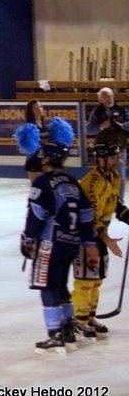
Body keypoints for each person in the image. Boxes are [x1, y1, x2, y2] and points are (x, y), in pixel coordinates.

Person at [18, 117, 98, 354]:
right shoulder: (73, 182)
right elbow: (86, 215)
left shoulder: (43, 183)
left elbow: (36, 214)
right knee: (62, 286)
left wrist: (28, 239)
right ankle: (69, 329)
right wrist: (88, 242)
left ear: (47, 159)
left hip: (50, 243)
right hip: (71, 243)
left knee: (48, 287)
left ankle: (55, 334)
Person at [74, 142, 128, 338]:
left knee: (96, 280)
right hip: (86, 237)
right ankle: (79, 320)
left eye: (116, 157)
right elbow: (89, 217)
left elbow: (113, 201)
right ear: (101, 159)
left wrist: (124, 213)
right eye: (113, 157)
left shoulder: (114, 177)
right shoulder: (91, 182)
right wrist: (107, 239)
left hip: (99, 236)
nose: (117, 160)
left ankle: (89, 317)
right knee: (85, 281)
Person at [86, 87, 129, 198]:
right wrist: (101, 126)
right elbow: (89, 129)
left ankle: (119, 203)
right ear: (100, 99)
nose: (109, 99)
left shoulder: (122, 110)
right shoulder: (96, 112)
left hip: (119, 147)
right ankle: (105, 200)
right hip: (102, 149)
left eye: (110, 96)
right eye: (105, 97)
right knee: (103, 175)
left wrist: (123, 125)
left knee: (120, 175)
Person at [15, 99, 49, 184]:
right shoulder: (29, 127)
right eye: (36, 108)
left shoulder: (44, 124)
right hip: (34, 161)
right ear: (31, 111)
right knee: (37, 188)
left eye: (40, 107)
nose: (39, 110)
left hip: (46, 161)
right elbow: (28, 146)